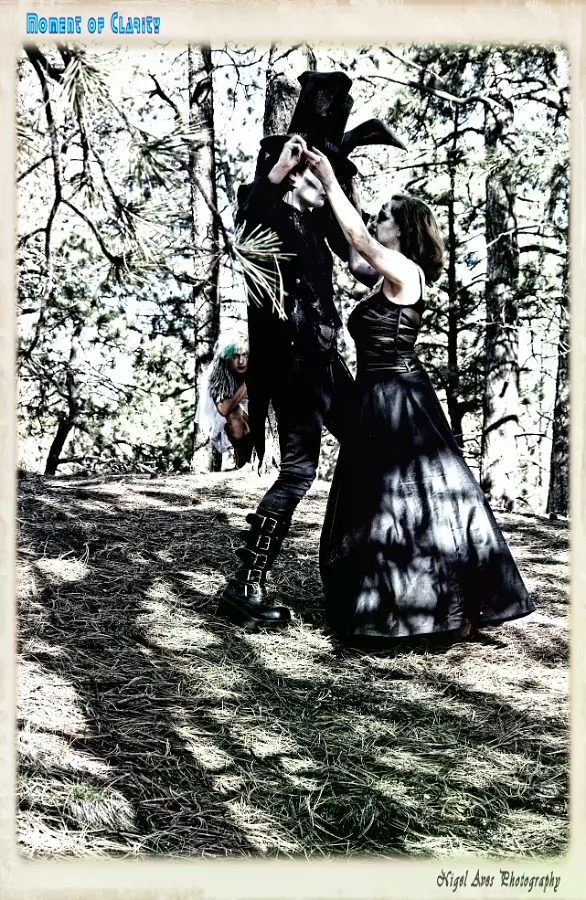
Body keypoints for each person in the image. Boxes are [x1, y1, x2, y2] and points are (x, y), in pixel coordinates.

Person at [305, 145, 535, 641]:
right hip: (378, 397)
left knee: (411, 500)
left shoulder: (406, 273)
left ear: (403, 230)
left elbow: (359, 239)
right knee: (382, 502)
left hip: (399, 397)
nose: (377, 222)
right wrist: (348, 189)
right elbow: (355, 255)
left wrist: (329, 181)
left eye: (386, 217)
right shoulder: (385, 275)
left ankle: (440, 608)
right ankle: (397, 604)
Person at [217, 71, 407, 630]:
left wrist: (354, 202)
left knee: (365, 448)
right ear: (297, 171)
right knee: (300, 472)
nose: (330, 186)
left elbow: (360, 264)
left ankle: (374, 578)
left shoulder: (315, 226)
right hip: (296, 369)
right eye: (321, 176)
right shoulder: (267, 209)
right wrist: (280, 168)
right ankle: (245, 584)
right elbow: (247, 224)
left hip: (324, 364)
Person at [196, 333, 252, 469]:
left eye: (244, 355)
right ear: (226, 358)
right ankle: (243, 459)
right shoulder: (218, 373)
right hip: (231, 422)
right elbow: (223, 409)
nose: (241, 361)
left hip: (257, 417)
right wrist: (247, 383)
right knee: (233, 412)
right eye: (235, 356)